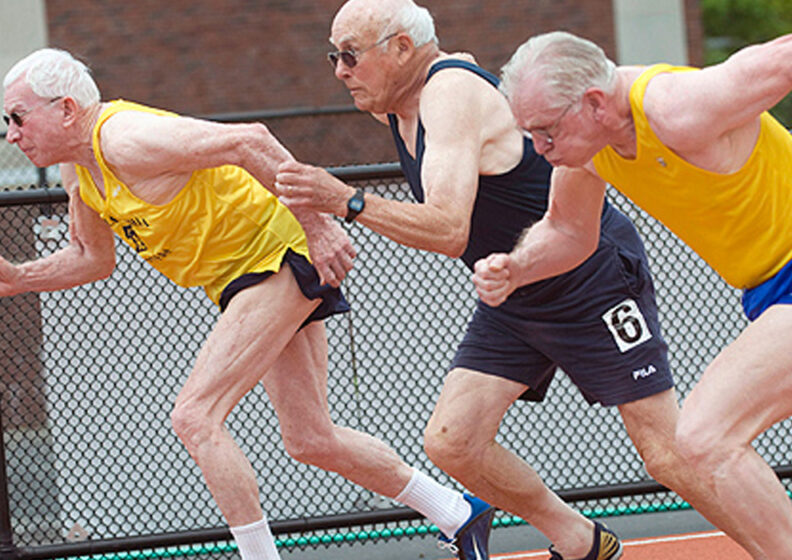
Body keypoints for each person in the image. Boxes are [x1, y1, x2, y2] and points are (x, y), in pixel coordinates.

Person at [274, 2, 744, 559]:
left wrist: (345, 201)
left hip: (586, 276)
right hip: (512, 289)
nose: (340, 71)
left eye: (350, 55)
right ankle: (580, 540)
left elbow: (449, 228)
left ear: (402, 49)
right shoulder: (398, 103)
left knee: (667, 455)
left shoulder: (447, 93)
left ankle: (773, 538)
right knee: (454, 443)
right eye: (335, 56)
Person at [0, 47, 496, 560]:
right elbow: (91, 259)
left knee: (195, 415)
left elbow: (249, 139)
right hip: (245, 276)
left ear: (65, 109)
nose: (11, 133)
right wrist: (16, 278)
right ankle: (458, 512)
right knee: (310, 439)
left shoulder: (124, 138)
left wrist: (319, 227)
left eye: (18, 116)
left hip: (275, 257)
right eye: (6, 121)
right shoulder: (79, 173)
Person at [471, 30, 792, 559]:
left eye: (546, 131)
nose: (537, 148)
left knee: (705, 436)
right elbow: (570, 232)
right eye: (528, 132)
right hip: (768, 292)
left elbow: (774, 61)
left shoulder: (673, 108)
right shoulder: (590, 151)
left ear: (594, 103)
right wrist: (517, 267)